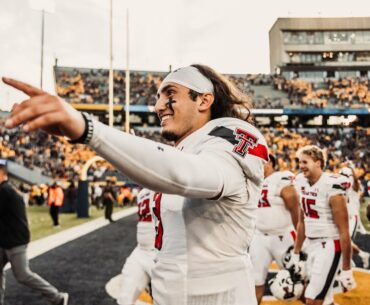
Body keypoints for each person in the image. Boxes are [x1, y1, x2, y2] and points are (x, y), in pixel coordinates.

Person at [2, 64, 269, 305]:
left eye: (170, 94)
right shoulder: (187, 148)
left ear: (203, 99)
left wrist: (87, 129)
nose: (158, 106)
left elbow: (189, 176)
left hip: (220, 295)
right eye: (158, 98)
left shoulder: (232, 133)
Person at [293, 145, 355, 305]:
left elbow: (344, 232)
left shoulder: (332, 186)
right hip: (310, 244)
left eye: (305, 162)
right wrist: (296, 251)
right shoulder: (300, 181)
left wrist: (347, 269)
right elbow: (302, 221)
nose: (301, 166)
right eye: (300, 162)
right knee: (315, 297)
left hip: (329, 245)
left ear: (318, 162)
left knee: (313, 300)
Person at [0, 164, 69, 305]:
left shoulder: (5, 191)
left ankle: (57, 297)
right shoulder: (6, 190)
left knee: (23, 275)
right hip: (5, 240)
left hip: (15, 241)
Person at [249, 154, 299, 304]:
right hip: (258, 238)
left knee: (297, 279)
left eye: (261, 162)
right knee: (255, 282)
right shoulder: (253, 182)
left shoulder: (280, 177)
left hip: (283, 236)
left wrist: (301, 238)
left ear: (270, 162)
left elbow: (293, 203)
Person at [117, 188, 156, 305]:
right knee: (124, 298)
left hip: (162, 253)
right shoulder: (142, 193)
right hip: (141, 250)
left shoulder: (168, 186)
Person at [339, 166, 370, 269]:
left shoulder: (350, 184)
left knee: (345, 242)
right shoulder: (355, 184)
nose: (343, 177)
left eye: (345, 175)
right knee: (344, 242)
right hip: (344, 217)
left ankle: (348, 264)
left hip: (352, 218)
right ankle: (362, 255)